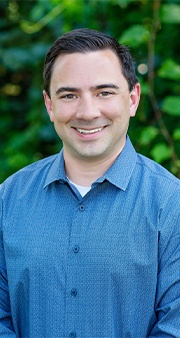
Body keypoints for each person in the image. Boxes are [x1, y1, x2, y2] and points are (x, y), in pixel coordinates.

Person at [0, 28, 180, 338]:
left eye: (104, 92)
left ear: (133, 99)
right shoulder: (8, 199)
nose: (87, 112)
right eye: (69, 95)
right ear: (50, 105)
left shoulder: (172, 205)